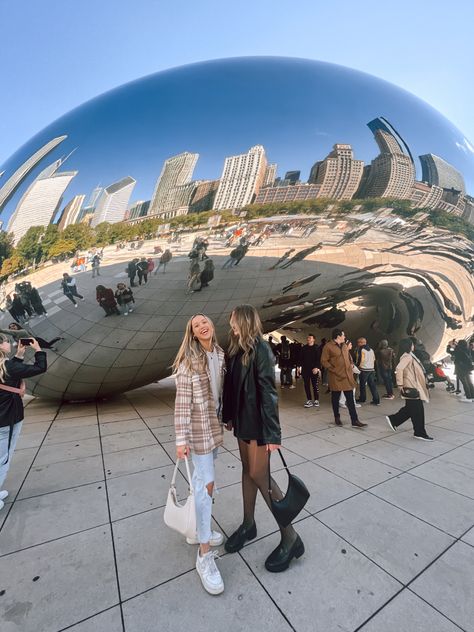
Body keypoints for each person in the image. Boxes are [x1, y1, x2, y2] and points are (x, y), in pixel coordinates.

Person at [223, 304, 304, 572]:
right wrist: (229, 415)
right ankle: (249, 524)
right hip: (242, 423)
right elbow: (232, 387)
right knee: (248, 472)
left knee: (261, 476)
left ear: (244, 321)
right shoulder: (236, 349)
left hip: (258, 426)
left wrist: (272, 433)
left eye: (234, 321)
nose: (231, 324)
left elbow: (269, 393)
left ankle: (290, 537)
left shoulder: (261, 350)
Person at [173, 314, 226, 595]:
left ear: (211, 326)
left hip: (214, 428)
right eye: (196, 325)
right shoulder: (188, 362)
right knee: (206, 487)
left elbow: (219, 394)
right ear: (192, 334)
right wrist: (180, 439)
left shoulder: (218, 353)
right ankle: (204, 556)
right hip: (197, 431)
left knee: (202, 484)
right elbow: (182, 404)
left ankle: (196, 532)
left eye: (205, 321)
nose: (202, 326)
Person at [0, 334, 47, 511]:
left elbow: (11, 372)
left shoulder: (7, 366)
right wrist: (38, 350)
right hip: (7, 419)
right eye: (5, 341)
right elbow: (40, 367)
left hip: (3, 418)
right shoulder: (7, 366)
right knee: (3, 459)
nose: (8, 343)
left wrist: (19, 355)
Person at [385, 338, 433, 440]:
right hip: (411, 387)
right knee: (417, 411)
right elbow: (399, 369)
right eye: (412, 344)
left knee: (411, 409)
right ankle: (419, 432)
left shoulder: (410, 355)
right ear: (408, 345)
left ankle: (394, 420)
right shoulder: (407, 356)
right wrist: (400, 384)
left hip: (413, 386)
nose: (413, 346)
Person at [321, 328, 367, 428]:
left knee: (350, 399)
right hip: (335, 377)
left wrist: (351, 364)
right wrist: (333, 369)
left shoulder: (344, 346)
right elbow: (324, 361)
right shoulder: (328, 346)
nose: (345, 337)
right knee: (335, 398)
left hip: (347, 376)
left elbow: (348, 356)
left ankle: (355, 420)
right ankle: (337, 417)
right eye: (343, 335)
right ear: (338, 336)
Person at [355, 337, 380, 405]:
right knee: (372, 385)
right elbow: (374, 359)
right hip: (371, 369)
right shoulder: (371, 350)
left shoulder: (361, 349)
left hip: (364, 370)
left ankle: (362, 398)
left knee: (362, 385)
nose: (358, 344)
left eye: (358, 342)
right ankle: (376, 400)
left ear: (362, 343)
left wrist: (357, 366)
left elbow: (360, 359)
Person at [299, 334, 320, 407]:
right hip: (305, 370)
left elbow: (319, 359)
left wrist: (317, 368)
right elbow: (300, 358)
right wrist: (299, 367)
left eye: (310, 338)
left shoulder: (317, 348)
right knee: (306, 385)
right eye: (308, 338)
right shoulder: (304, 348)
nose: (308, 339)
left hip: (314, 370)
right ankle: (309, 400)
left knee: (315, 385)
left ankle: (316, 400)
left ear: (314, 339)